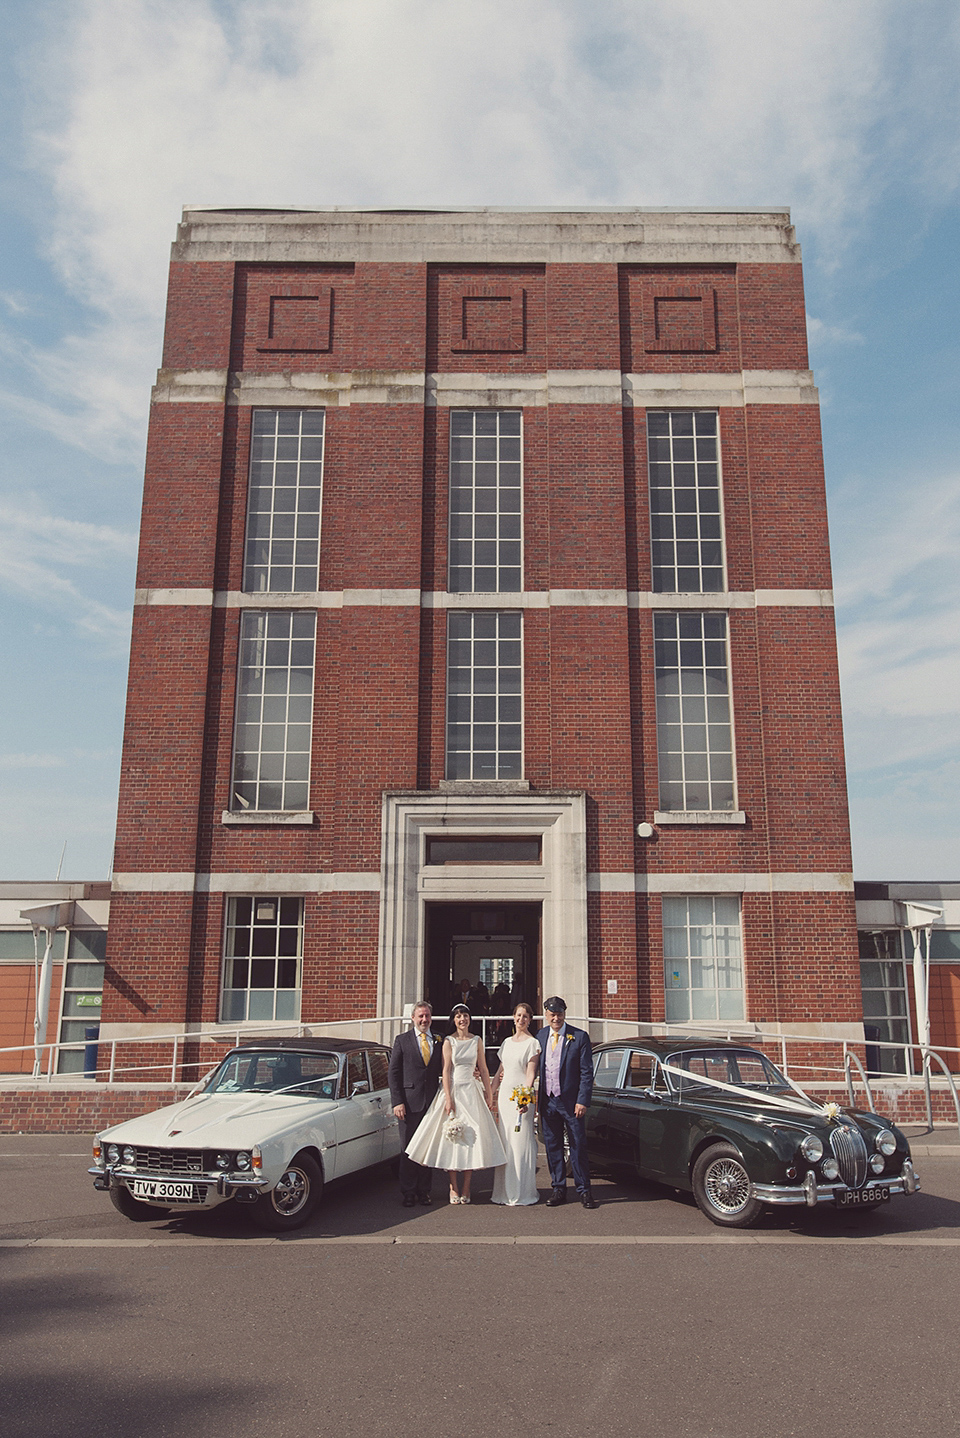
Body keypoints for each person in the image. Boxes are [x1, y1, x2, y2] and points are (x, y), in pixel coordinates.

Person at [404, 1004, 507, 1204]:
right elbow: (446, 1070)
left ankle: (467, 1186)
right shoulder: (448, 1041)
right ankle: (453, 1186)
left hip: (472, 1092)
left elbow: (484, 1069)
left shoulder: (477, 1040)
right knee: (451, 1138)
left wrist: (489, 1093)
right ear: (454, 1019)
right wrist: (449, 1098)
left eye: (465, 1016)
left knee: (470, 1137)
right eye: (459, 1016)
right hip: (453, 1091)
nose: (462, 1020)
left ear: (470, 1019)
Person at [537, 995, 599, 1208]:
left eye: (560, 1014)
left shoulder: (579, 1037)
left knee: (578, 1144)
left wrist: (582, 1100)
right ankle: (558, 1188)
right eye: (552, 1014)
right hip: (548, 1101)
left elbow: (586, 1072)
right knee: (553, 1145)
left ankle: (584, 1190)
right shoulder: (540, 1036)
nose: (556, 1018)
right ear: (546, 1015)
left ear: (565, 1014)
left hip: (571, 1102)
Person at [388, 1000, 445, 1207]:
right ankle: (409, 1192)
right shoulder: (402, 1040)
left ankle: (424, 1191)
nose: (424, 1020)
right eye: (420, 1016)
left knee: (427, 1148)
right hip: (409, 1104)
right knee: (409, 1149)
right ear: (413, 1018)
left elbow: (446, 1068)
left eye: (427, 1016)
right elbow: (393, 1073)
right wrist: (397, 1102)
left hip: (431, 1103)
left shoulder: (439, 1039)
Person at [490, 1002, 540, 1206]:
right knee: (506, 1142)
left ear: (530, 1020)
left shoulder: (533, 1043)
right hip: (505, 1098)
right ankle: (503, 1192)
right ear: (513, 1017)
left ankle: (521, 1191)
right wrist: (490, 1094)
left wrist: (525, 1098)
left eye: (525, 1016)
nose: (521, 1019)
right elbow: (499, 1072)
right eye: (518, 1015)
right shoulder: (506, 1043)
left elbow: (531, 1073)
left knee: (520, 1143)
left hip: (521, 1099)